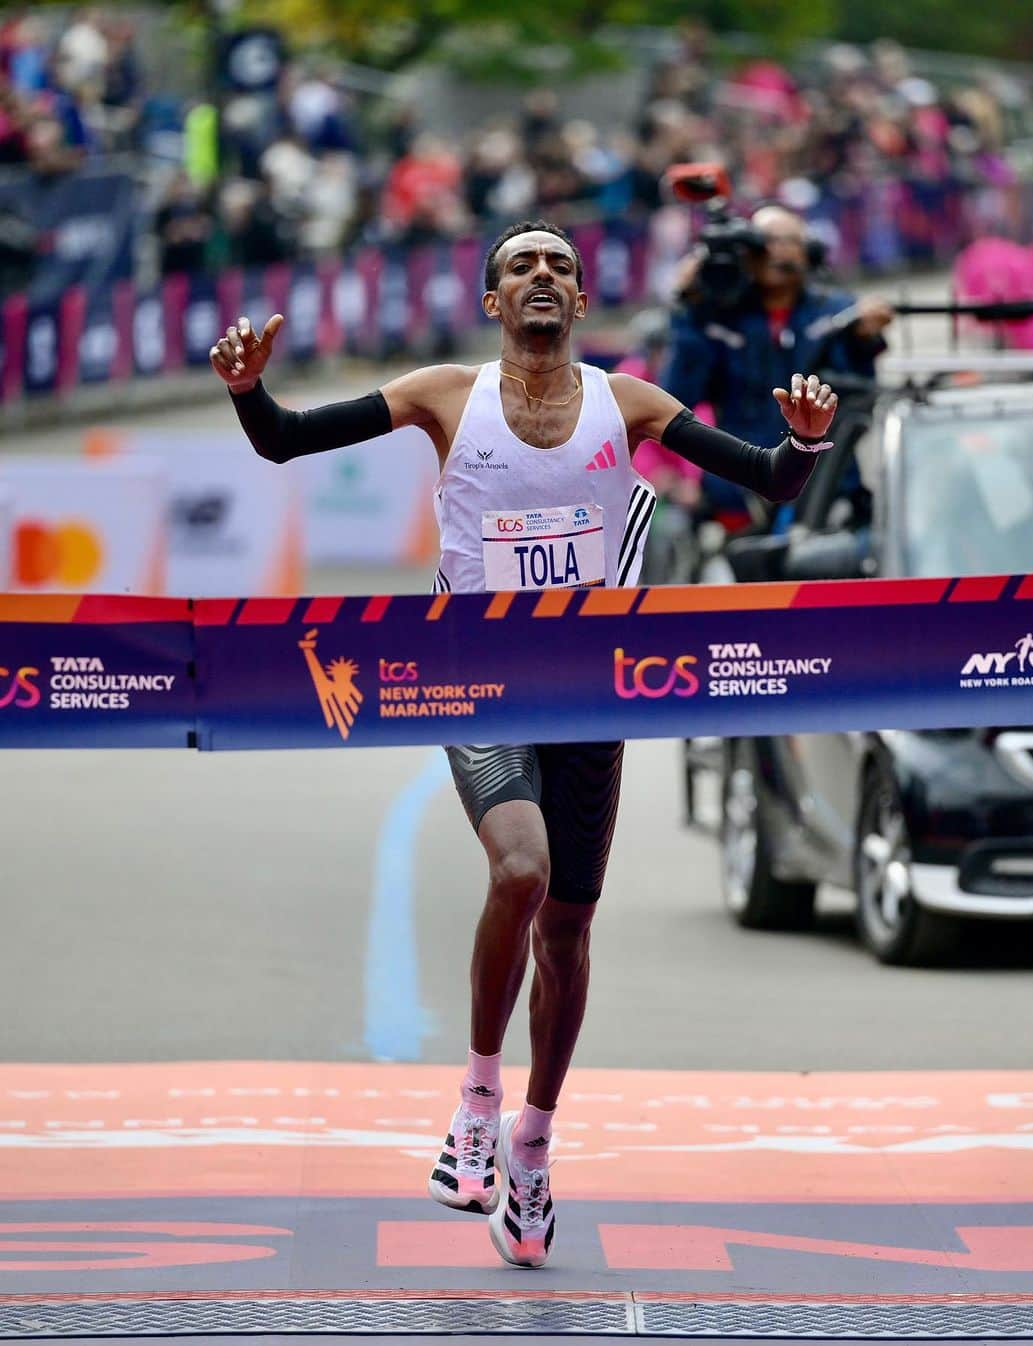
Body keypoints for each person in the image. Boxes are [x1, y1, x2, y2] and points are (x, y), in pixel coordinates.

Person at [209, 219, 838, 1269]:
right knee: (521, 868)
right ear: (494, 301)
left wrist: (807, 440)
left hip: (591, 691)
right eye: (519, 266)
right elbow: (283, 438)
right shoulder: (441, 395)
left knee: (571, 933)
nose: (540, 274)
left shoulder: (627, 403)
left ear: (581, 301)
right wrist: (245, 389)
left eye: (559, 265)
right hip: (478, 678)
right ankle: (476, 1101)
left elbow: (766, 478)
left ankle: (535, 1147)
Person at [662, 204, 890, 529]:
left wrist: (864, 341)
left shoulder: (836, 312)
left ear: (808, 252)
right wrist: (686, 307)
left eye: (784, 240)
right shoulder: (716, 318)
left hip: (826, 490)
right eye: (762, 241)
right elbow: (678, 395)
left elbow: (860, 397)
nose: (772, 250)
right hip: (739, 491)